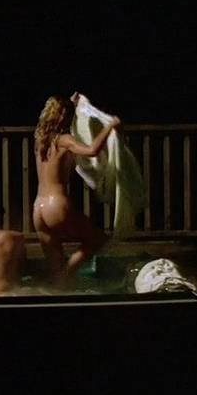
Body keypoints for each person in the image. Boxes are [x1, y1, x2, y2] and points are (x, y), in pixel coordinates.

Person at [32, 92, 121, 286]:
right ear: (64, 116)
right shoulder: (64, 140)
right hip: (56, 205)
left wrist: (72, 104)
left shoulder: (39, 138)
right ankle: (67, 274)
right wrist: (110, 126)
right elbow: (91, 151)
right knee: (97, 240)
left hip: (38, 208)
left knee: (54, 267)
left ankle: (57, 287)